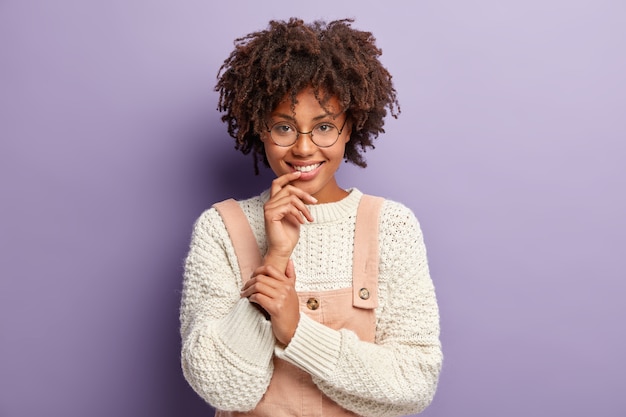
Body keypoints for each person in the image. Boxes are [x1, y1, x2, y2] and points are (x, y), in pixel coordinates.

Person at [180, 18, 442, 417]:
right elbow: (224, 388)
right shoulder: (221, 228)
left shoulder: (391, 226)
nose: (304, 148)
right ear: (260, 129)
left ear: (349, 128)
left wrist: (295, 331)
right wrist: (276, 258)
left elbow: (414, 382)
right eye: (284, 127)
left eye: (323, 127)